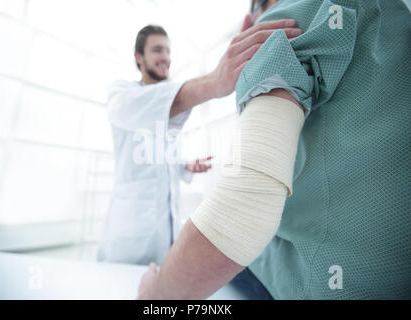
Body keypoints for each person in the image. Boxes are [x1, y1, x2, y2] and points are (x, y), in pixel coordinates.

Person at [137, 0, 411, 299]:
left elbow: (243, 206)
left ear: (249, 21)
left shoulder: (279, 27)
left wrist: (156, 296)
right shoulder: (396, 18)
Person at [98, 20, 303, 265]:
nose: (165, 57)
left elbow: (160, 162)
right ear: (138, 57)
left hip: (166, 232)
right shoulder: (122, 93)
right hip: (129, 237)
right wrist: (215, 82)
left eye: (168, 51)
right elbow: (143, 107)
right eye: (157, 50)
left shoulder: (166, 103)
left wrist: (185, 165)